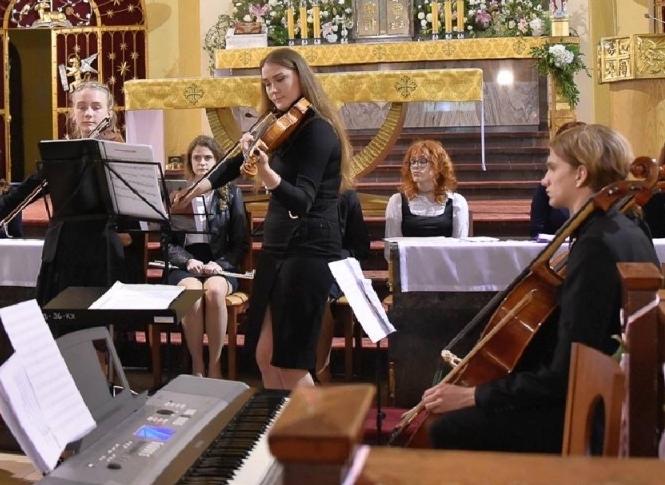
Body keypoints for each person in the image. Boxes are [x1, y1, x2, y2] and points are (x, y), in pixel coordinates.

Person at [420, 125, 660, 452]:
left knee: (448, 429)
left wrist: (474, 395)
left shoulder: (595, 245)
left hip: (588, 410)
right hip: (608, 392)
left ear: (580, 174)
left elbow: (565, 374)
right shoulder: (628, 226)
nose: (545, 180)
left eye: (552, 168)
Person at [170, 49, 350, 391]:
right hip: (278, 247)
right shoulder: (277, 126)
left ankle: (318, 427)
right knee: (265, 357)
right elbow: (230, 167)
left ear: (301, 78)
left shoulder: (318, 131)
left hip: (309, 250)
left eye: (280, 80)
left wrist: (265, 172)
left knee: (291, 364)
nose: (273, 90)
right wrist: (194, 191)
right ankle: (281, 424)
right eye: (267, 83)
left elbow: (303, 200)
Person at [0, 81, 132, 301]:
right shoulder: (61, 153)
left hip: (101, 249)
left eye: (96, 107)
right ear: (73, 113)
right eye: (81, 107)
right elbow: (26, 190)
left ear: (109, 113)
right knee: (56, 314)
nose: (88, 113)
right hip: (63, 249)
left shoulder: (118, 151)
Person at [163, 135, 248, 378]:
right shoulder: (177, 194)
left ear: (217, 161)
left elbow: (240, 243)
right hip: (184, 263)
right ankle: (197, 366)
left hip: (220, 262)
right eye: (197, 158)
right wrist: (187, 260)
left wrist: (219, 264)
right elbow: (167, 243)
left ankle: (215, 365)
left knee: (214, 291)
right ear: (189, 162)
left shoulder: (231, 193)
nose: (202, 162)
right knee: (191, 293)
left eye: (208, 158)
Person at [385, 139, 471, 238]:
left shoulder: (456, 202)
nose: (416, 166)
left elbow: (460, 242)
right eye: (413, 162)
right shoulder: (397, 201)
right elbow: (393, 243)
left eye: (422, 161)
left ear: (438, 166)